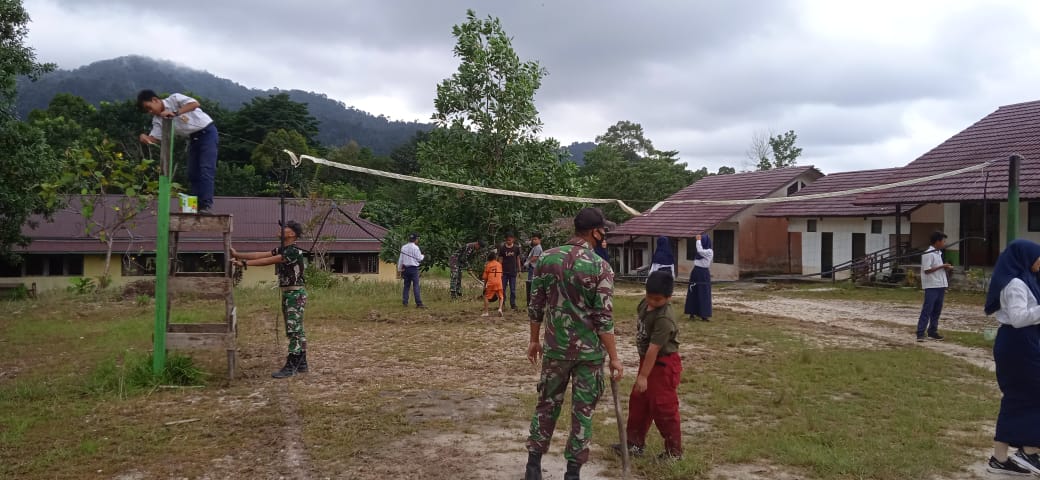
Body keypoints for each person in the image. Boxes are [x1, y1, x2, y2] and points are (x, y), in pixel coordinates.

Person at [524, 207, 623, 480]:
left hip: (555, 349)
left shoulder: (545, 259)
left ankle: (533, 467)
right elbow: (604, 318)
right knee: (583, 412)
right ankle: (572, 473)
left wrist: (534, 340)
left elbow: (536, 306)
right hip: (588, 355)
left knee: (546, 405)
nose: (604, 236)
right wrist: (614, 358)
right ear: (595, 231)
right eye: (603, 230)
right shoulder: (600, 266)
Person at [983, 239, 1040, 476]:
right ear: (1026, 257)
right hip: (1017, 343)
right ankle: (1029, 452)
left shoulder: (1026, 279)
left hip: (1022, 342)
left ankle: (1001, 457)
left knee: (1018, 397)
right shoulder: (1015, 284)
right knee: (1028, 395)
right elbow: (1018, 318)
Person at [614, 270, 683, 460]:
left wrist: (643, 376)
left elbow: (654, 349)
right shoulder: (645, 304)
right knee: (639, 402)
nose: (652, 302)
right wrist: (643, 373)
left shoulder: (665, 319)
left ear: (669, 297)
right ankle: (634, 443)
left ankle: (674, 453)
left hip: (663, 364)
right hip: (647, 362)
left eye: (658, 300)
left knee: (663, 407)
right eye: (649, 297)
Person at [230, 221, 309, 378]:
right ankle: (302, 363)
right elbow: (262, 254)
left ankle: (292, 364)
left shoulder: (293, 252)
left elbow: (268, 261)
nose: (281, 229)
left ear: (292, 234)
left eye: (285, 228)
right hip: (289, 294)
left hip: (295, 294)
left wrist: (244, 264)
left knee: (294, 329)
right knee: (294, 328)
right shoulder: (283, 249)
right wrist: (238, 255)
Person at [137, 90, 218, 213]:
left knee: (206, 168)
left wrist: (175, 113)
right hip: (193, 138)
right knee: (192, 172)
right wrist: (145, 138)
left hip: (207, 132)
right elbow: (156, 139)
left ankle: (206, 205)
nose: (150, 111)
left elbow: (195, 104)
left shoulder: (174, 99)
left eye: (149, 107)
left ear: (155, 100)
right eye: (147, 111)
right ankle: (196, 206)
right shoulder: (157, 120)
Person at [917, 231, 952, 342]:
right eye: (943, 241)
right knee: (928, 309)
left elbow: (937, 268)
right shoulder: (928, 253)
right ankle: (920, 332)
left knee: (937, 310)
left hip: (940, 285)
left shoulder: (938, 253)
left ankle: (932, 331)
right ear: (937, 242)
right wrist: (942, 266)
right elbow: (927, 270)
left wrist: (945, 268)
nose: (944, 243)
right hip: (932, 285)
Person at [684, 234, 714, 321]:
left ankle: (704, 314)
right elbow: (699, 251)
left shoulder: (709, 251)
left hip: (703, 273)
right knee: (693, 292)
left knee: (704, 293)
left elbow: (700, 251)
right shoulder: (698, 252)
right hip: (696, 271)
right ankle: (692, 312)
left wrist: (698, 240)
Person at [398, 233, 425, 309]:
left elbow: (401, 259)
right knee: (416, 286)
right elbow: (419, 258)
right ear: (415, 239)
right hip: (414, 269)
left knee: (406, 286)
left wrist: (399, 269)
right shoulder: (416, 248)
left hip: (406, 269)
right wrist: (423, 256)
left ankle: (405, 302)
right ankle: (419, 303)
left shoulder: (404, 247)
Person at [500, 233, 523, 311]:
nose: (508, 241)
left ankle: (513, 304)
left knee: (513, 289)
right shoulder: (502, 248)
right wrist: (499, 270)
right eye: (507, 240)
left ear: (513, 239)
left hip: (513, 271)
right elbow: (500, 260)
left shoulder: (516, 248)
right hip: (504, 272)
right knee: (503, 288)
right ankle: (502, 303)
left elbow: (518, 259)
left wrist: (519, 270)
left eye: (510, 240)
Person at [482, 251, 504, 317]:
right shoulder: (499, 264)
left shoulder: (488, 265)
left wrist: (484, 286)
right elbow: (501, 274)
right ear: (495, 257)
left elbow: (485, 277)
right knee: (501, 296)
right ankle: (500, 309)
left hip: (491, 283)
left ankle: (486, 312)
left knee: (486, 296)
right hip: (499, 282)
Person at [524, 233, 543, 306]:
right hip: (532, 267)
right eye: (533, 239)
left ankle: (531, 301)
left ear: (539, 240)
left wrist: (527, 263)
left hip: (534, 267)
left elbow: (535, 257)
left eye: (535, 239)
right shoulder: (534, 247)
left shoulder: (538, 247)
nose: (534, 241)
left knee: (531, 284)